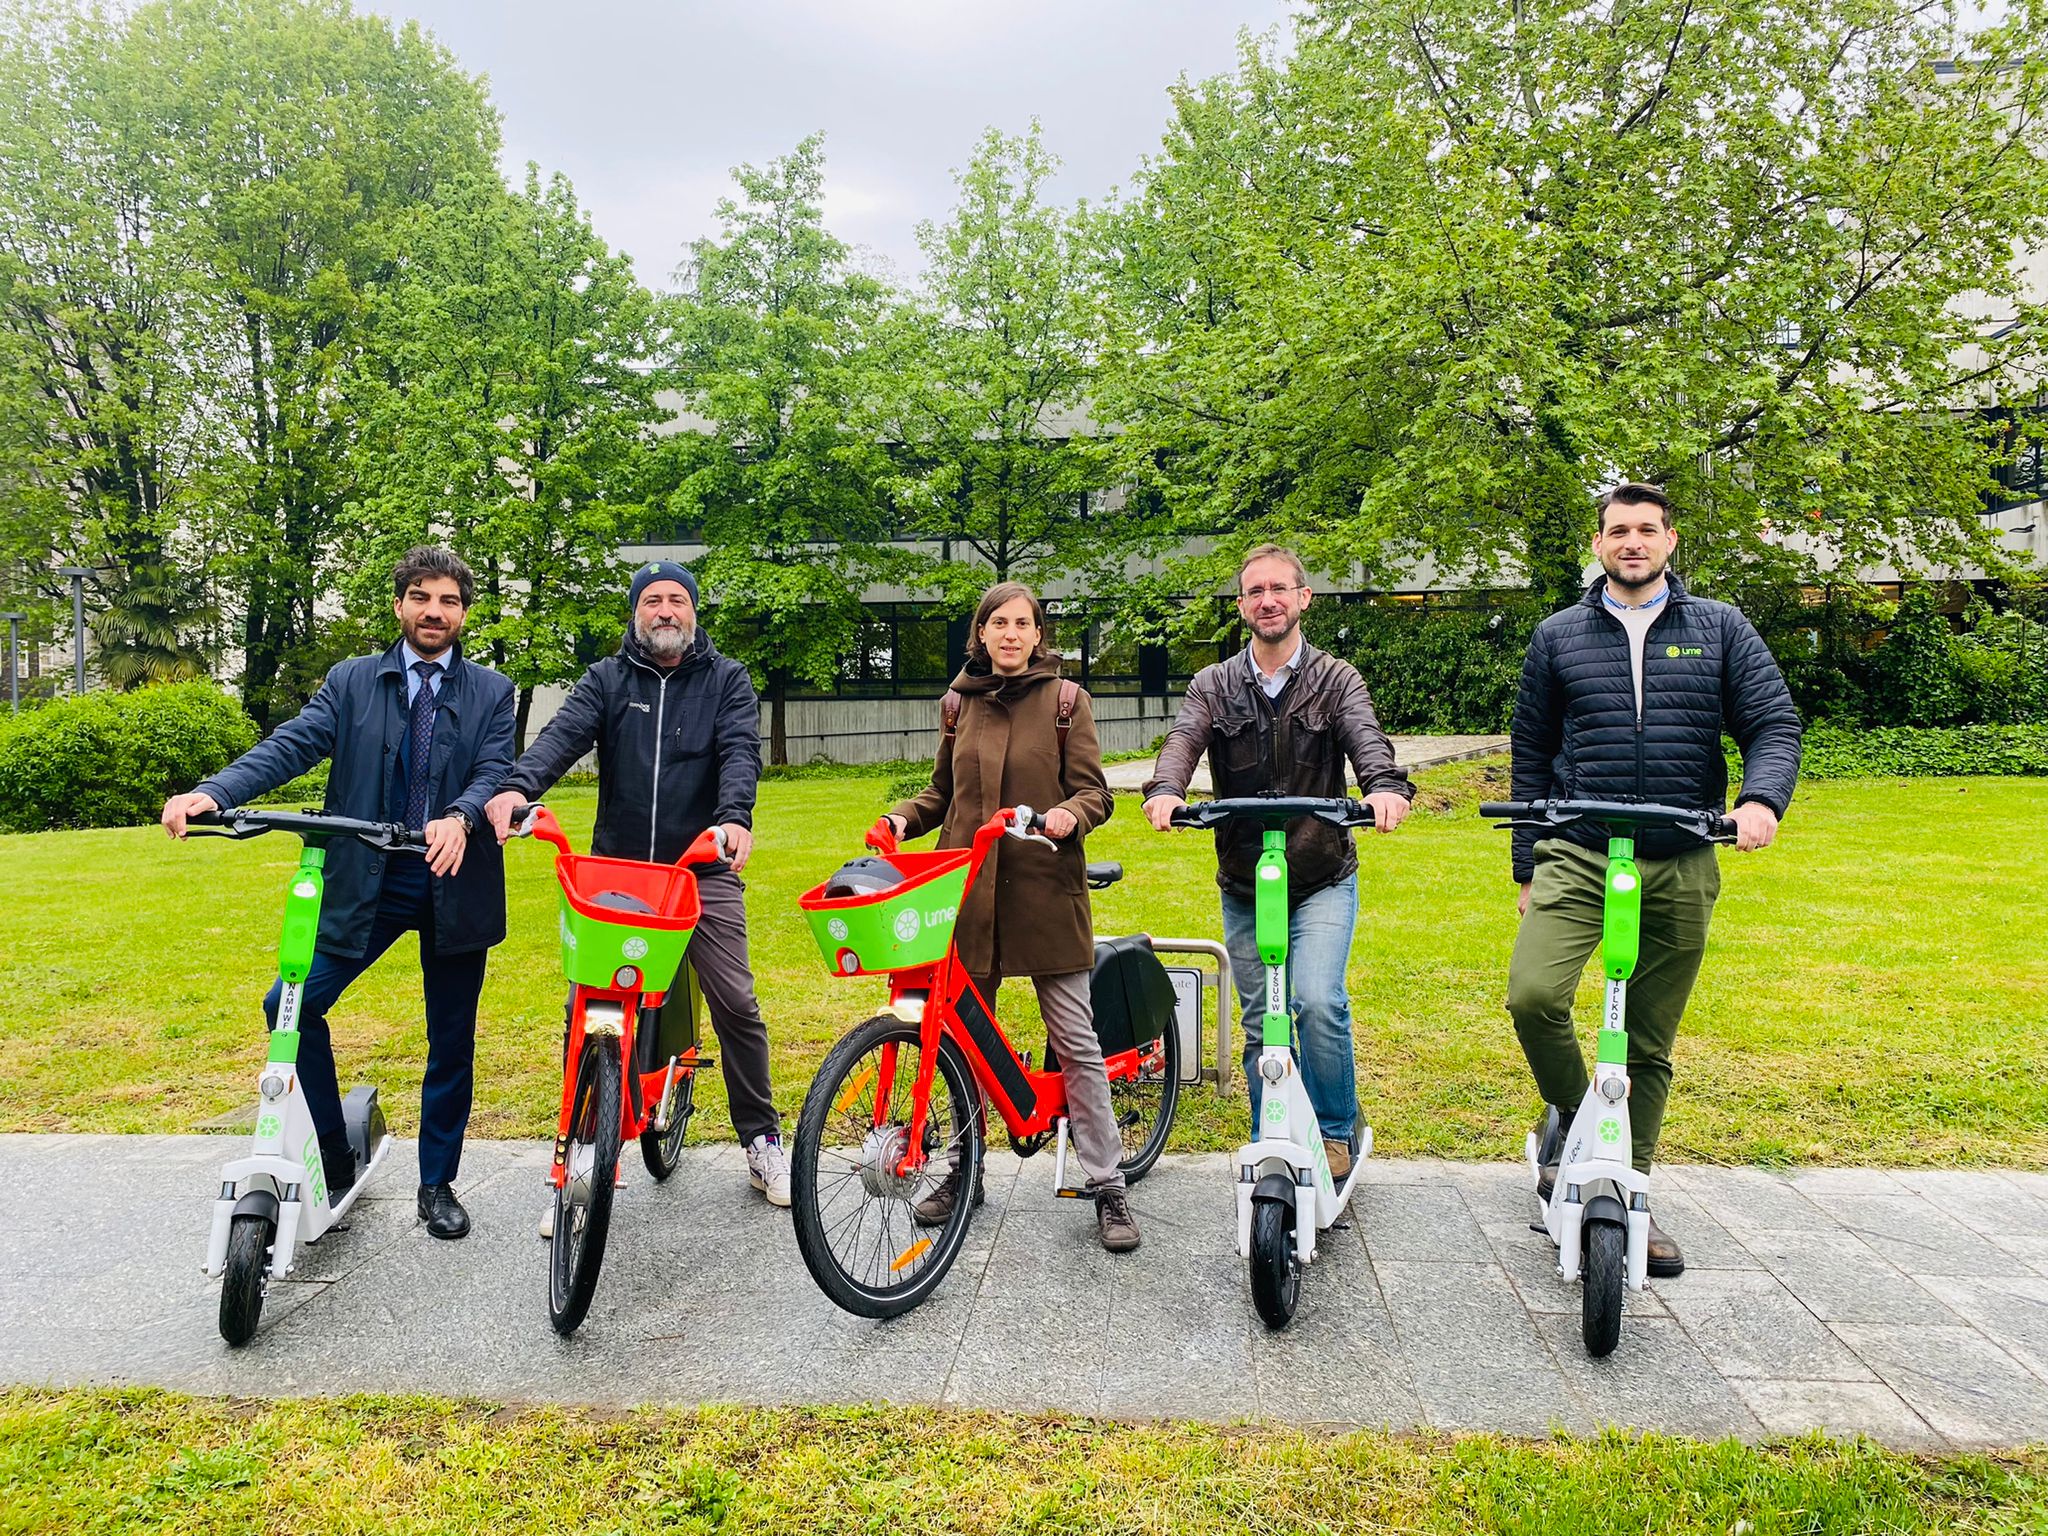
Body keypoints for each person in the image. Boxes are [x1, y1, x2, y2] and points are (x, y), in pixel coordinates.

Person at [161, 547, 516, 1241]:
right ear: (399, 605)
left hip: (454, 881)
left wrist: (462, 816)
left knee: (451, 1041)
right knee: (290, 1005)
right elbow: (292, 744)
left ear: (464, 613)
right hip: (366, 880)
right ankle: (332, 1150)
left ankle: (437, 1183)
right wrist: (214, 792)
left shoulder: (491, 692)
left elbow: (496, 770)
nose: (433, 611)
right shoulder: (352, 681)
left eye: (447, 600)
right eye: (420, 596)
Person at [1505, 482, 1802, 1276]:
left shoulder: (1720, 629)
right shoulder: (1559, 636)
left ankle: (1626, 1190)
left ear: (1670, 541)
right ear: (1597, 545)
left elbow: (1773, 724)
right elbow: (1531, 754)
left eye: (1645, 530)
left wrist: (1761, 800)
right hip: (1580, 846)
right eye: (1616, 531)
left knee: (1646, 1041)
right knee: (1534, 997)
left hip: (1680, 852)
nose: (1630, 542)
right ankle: (1572, 1117)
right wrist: (1526, 861)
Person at [484, 560, 789, 1207]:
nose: (665, 611)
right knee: (585, 1013)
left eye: (677, 599)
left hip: (700, 870)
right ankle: (580, 1153)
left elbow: (740, 754)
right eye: (652, 600)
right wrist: (517, 788)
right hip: (618, 875)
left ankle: (762, 1140)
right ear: (636, 612)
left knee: (735, 1000)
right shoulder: (607, 679)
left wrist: (734, 822)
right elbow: (558, 739)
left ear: (694, 610)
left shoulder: (727, 680)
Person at [1142, 544, 1413, 1179]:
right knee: (1263, 1015)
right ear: (1242, 606)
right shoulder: (1214, 684)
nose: (1268, 600)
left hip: (1320, 872)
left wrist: (1382, 787)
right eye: (1255, 591)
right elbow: (1183, 740)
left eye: (1279, 589)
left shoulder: (1336, 678)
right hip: (1245, 877)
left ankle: (1338, 1129)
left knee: (1317, 1000)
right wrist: (1165, 790)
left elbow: (1366, 738)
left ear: (1302, 599)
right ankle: (1271, 1129)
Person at [879, 582, 1136, 1251]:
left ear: (1037, 633)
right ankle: (967, 1172)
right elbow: (942, 794)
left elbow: (1095, 794)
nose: (1012, 634)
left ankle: (1108, 1186)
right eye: (999, 623)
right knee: (963, 1045)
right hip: (966, 898)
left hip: (1045, 891)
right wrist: (899, 820)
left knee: (1075, 1042)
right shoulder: (957, 703)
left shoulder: (1066, 702)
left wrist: (1066, 817)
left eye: (1023, 623)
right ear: (982, 633)